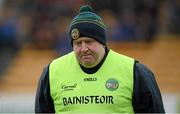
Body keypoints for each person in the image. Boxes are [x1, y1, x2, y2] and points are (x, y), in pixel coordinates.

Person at [35, 5, 165, 113]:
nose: (83, 48)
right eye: (78, 43)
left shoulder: (134, 71)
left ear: (102, 42)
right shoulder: (52, 72)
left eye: (89, 41)